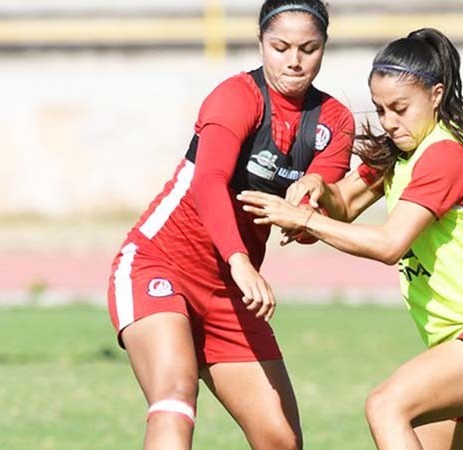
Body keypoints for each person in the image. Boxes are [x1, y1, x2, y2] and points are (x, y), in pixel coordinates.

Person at [238, 28, 463, 450]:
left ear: (436, 95)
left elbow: (388, 245)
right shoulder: (402, 152)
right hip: (457, 345)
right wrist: (316, 187)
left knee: (386, 406)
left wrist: (305, 220)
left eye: (400, 108)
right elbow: (342, 203)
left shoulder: (444, 155)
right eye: (381, 110)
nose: (389, 122)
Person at [105, 1, 354, 449]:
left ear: (324, 49)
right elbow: (209, 183)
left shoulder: (335, 121)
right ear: (261, 43)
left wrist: (308, 209)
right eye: (280, 47)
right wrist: (240, 260)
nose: (294, 60)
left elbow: (322, 200)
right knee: (176, 395)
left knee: (280, 439)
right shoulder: (236, 97)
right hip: (159, 265)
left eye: (308, 48)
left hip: (230, 293)